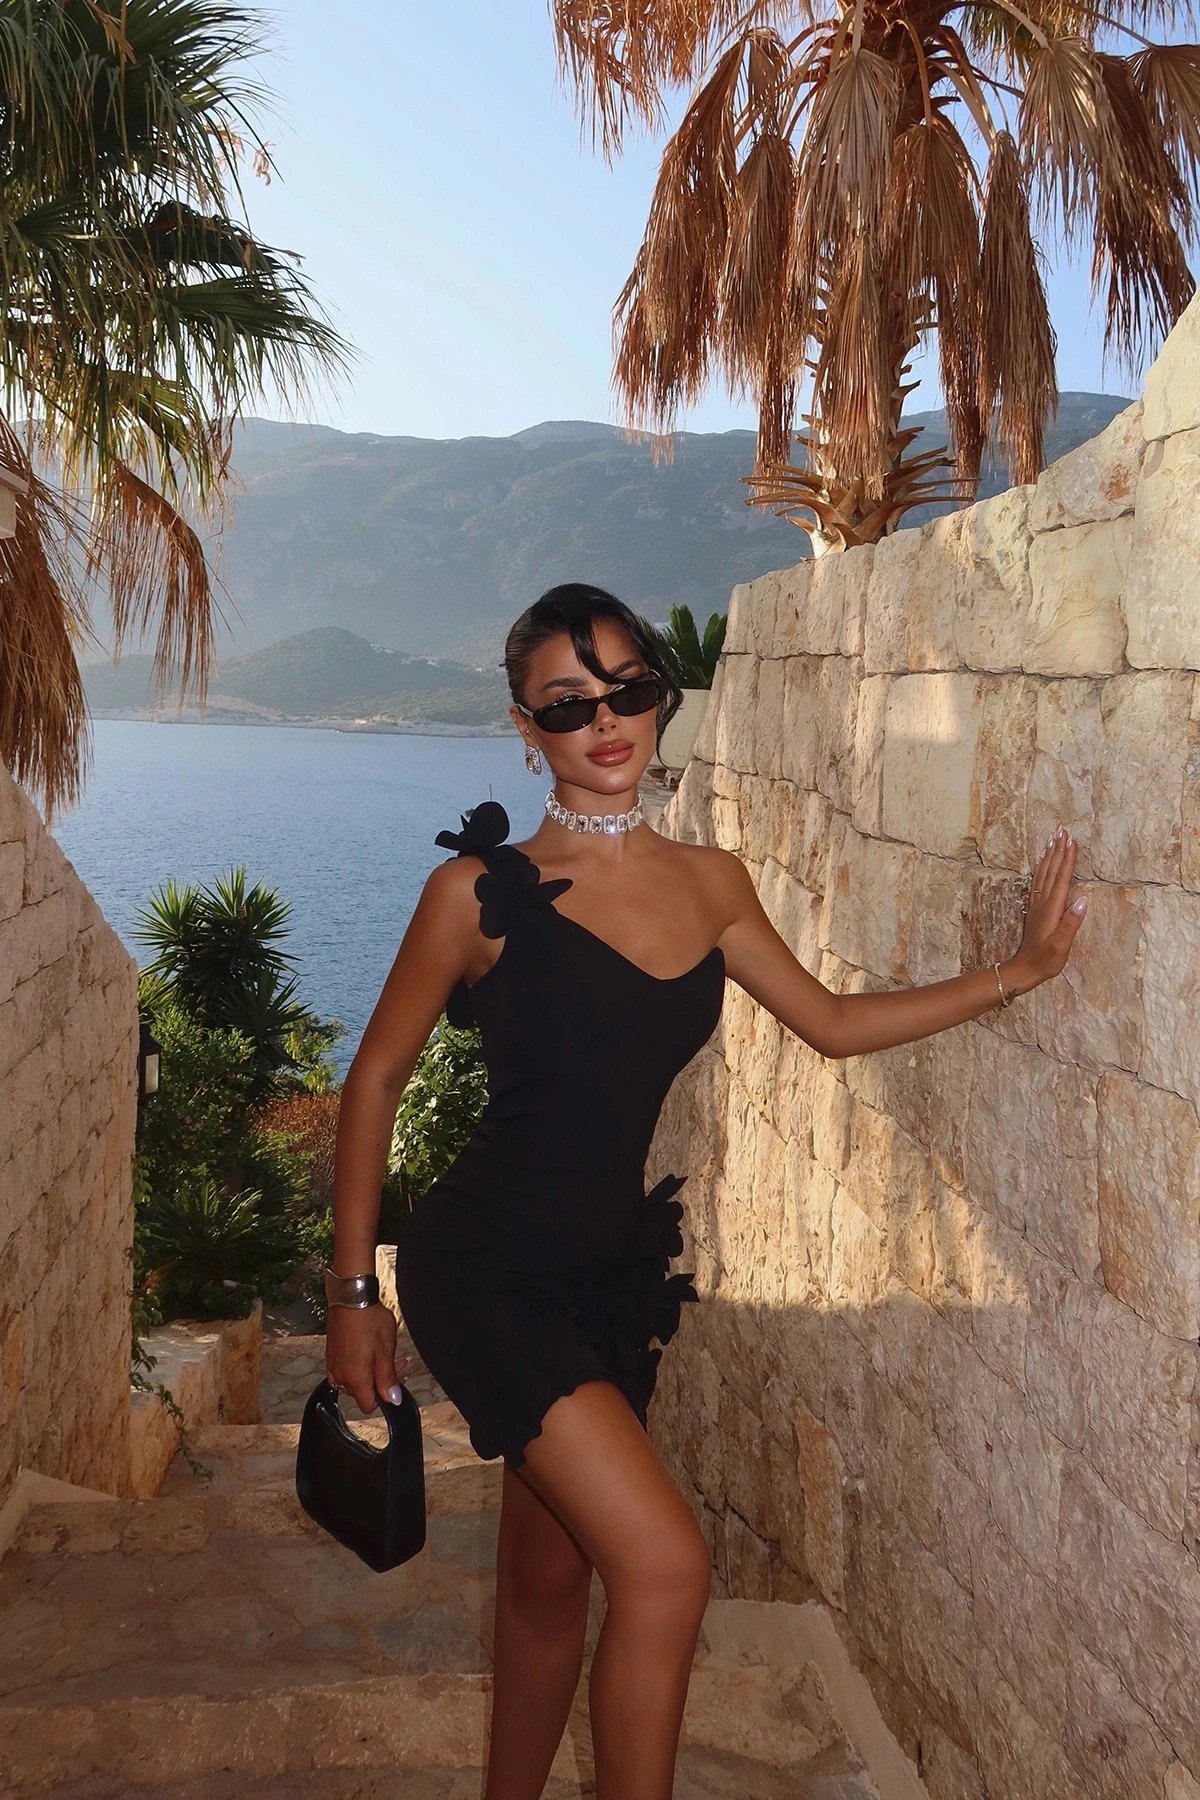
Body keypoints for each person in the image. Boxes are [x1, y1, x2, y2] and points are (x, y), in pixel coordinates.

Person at [327, 582, 1086, 1800]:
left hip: (609, 1277)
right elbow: (373, 1080)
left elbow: (831, 1023)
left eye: (627, 690)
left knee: (550, 1584)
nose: (604, 722)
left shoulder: (713, 883)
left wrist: (1021, 972)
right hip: (484, 1269)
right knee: (669, 1568)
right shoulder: (475, 895)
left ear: (659, 698)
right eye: (567, 705)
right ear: (525, 729)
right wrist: (354, 1292)